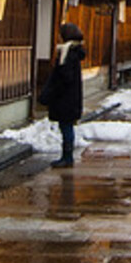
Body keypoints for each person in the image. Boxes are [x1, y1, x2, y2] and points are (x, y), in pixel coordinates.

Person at [38, 22, 85, 168]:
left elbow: (65, 77)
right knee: (66, 126)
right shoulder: (73, 51)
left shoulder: (68, 53)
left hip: (65, 97)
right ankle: (67, 156)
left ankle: (67, 157)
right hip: (70, 96)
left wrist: (52, 91)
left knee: (66, 126)